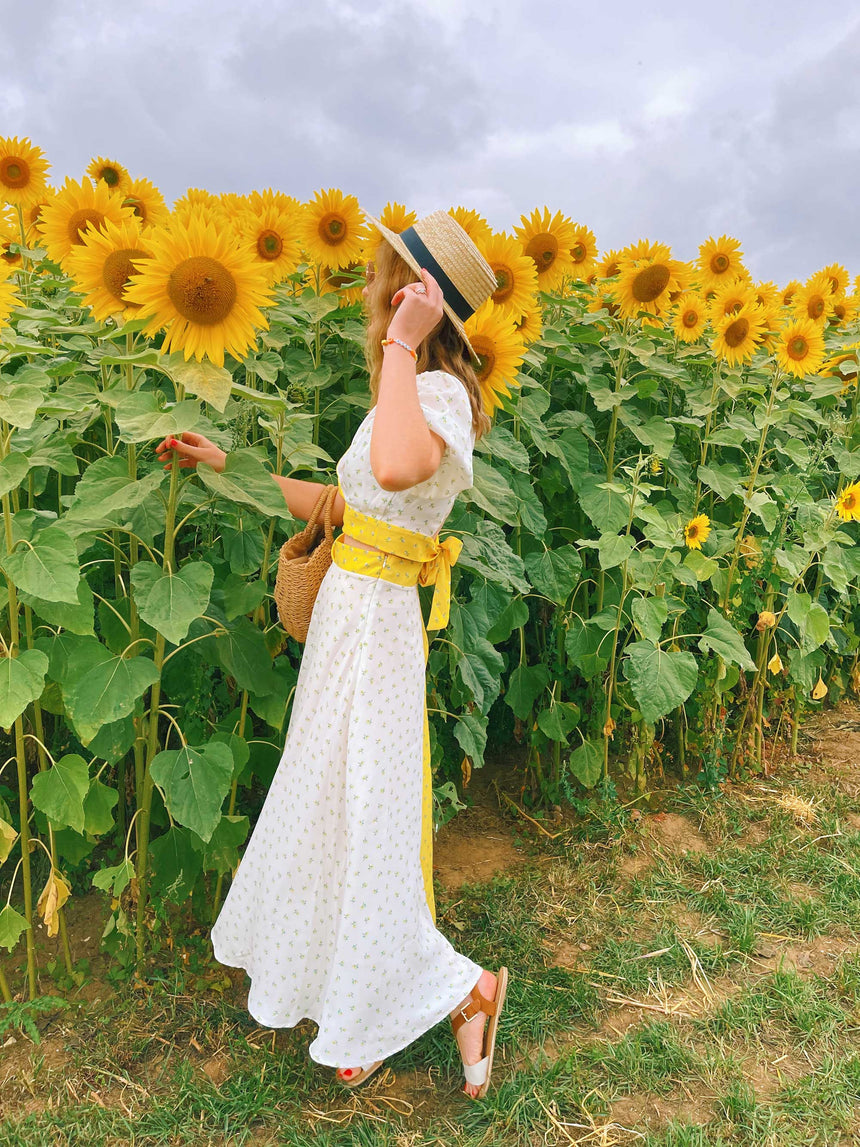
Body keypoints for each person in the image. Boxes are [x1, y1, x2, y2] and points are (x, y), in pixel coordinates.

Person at [155, 210, 510, 1099]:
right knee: (334, 807)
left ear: (417, 297)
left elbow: (394, 472)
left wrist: (400, 348)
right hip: (348, 619)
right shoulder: (407, 389)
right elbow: (347, 501)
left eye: (382, 274)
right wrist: (224, 466)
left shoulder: (437, 396)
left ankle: (466, 988)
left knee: (371, 817)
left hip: (379, 631)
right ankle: (367, 1003)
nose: (364, 287)